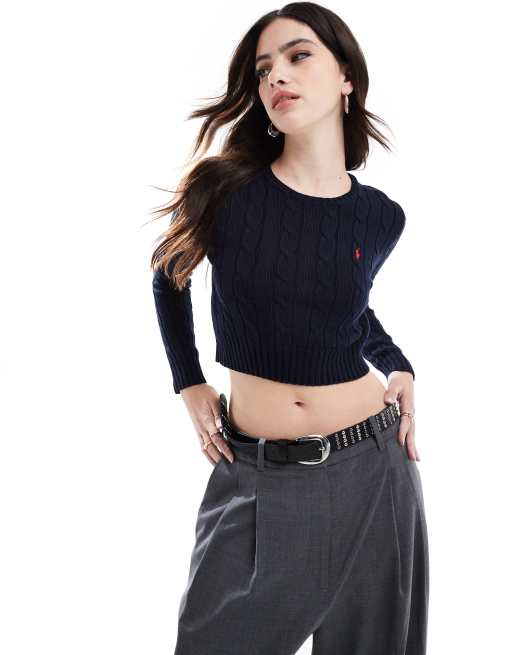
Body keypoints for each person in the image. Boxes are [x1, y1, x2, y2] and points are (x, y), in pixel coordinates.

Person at [149, 3, 429, 654]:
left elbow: (345, 311)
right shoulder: (224, 190)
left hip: (374, 469)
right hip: (255, 473)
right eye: (263, 69)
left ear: (345, 77)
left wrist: (398, 364)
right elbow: (168, 275)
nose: (276, 75)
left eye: (299, 56)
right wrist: (188, 381)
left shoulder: (379, 217)